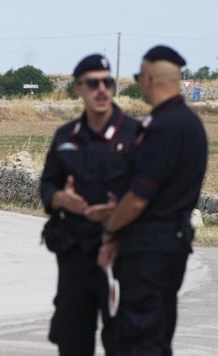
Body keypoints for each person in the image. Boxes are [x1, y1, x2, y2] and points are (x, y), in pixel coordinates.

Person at [97, 45, 208, 355]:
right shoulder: (187, 123)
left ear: (148, 78)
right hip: (166, 244)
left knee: (139, 340)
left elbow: (138, 198)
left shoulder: (165, 127)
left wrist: (110, 231)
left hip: (149, 250)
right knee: (153, 337)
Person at [40, 53, 139, 355]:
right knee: (72, 343)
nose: (101, 90)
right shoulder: (65, 137)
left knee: (124, 343)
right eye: (93, 83)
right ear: (78, 89)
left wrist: (118, 210)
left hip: (121, 257)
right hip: (75, 257)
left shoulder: (135, 135)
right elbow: (47, 185)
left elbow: (150, 192)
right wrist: (60, 199)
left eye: (107, 82)